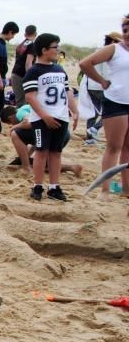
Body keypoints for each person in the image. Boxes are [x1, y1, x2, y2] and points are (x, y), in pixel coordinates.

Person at [79, 15, 129, 205]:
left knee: (128, 148)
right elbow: (85, 63)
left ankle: (126, 189)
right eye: (124, 30)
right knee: (114, 146)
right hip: (116, 102)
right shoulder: (114, 49)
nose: (127, 33)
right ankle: (105, 190)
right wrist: (102, 82)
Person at [23, 33, 77, 202]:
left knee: (56, 152)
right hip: (41, 119)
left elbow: (67, 91)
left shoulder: (60, 70)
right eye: (55, 47)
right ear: (44, 50)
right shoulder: (33, 71)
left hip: (61, 117)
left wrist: (74, 111)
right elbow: (30, 97)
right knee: (41, 151)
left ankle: (54, 187)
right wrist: (44, 116)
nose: (58, 50)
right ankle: (37, 186)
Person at [2, 104, 82, 177]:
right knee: (43, 165)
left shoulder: (20, 112)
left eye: (10, 123)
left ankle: (26, 167)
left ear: (10, 118)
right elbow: (37, 138)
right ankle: (72, 167)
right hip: (63, 134)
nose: (11, 125)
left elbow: (28, 123)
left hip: (51, 134)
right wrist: (27, 155)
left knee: (15, 133)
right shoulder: (28, 107)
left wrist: (15, 127)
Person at [84, 32, 123, 144]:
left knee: (94, 113)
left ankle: (89, 139)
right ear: (112, 41)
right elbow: (107, 74)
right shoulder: (109, 53)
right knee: (113, 111)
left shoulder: (98, 51)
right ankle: (94, 129)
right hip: (100, 87)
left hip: (91, 86)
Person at [10, 25, 37, 107]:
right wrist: (30, 77)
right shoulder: (32, 45)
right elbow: (28, 63)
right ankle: (23, 119)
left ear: (25, 33)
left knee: (20, 102)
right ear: (35, 33)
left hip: (15, 74)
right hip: (23, 75)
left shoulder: (21, 44)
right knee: (24, 103)